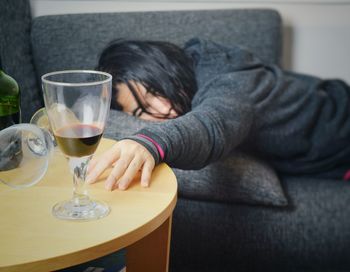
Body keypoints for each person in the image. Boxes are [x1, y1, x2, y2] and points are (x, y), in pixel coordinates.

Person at [86, 38, 350, 191]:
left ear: (164, 68)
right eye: (142, 111)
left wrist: (148, 142)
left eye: (156, 90)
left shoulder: (229, 81)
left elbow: (212, 124)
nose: (163, 109)